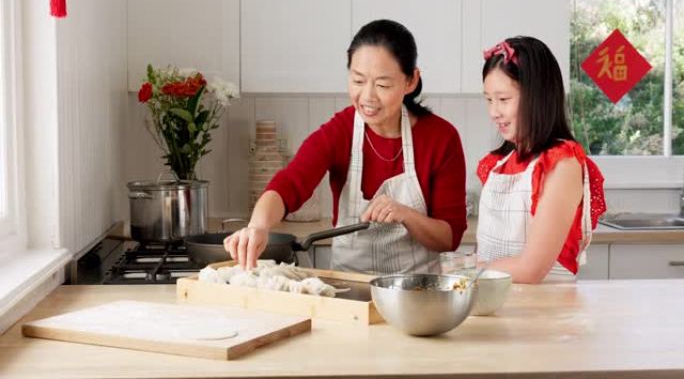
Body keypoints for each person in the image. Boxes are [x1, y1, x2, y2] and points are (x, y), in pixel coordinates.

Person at [225, 19, 467, 273]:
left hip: (415, 296)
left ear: (411, 81)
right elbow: (290, 184)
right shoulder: (341, 131)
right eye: (358, 81)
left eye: (383, 85)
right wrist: (258, 226)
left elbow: (449, 238)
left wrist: (406, 215)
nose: (368, 97)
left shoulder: (441, 138)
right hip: (346, 294)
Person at [477, 36, 607, 283]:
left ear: (538, 96)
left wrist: (469, 269)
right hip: (497, 304)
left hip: (546, 312)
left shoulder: (563, 164)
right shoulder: (498, 164)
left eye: (503, 100)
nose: (494, 112)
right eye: (488, 99)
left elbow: (531, 269)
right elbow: (490, 252)